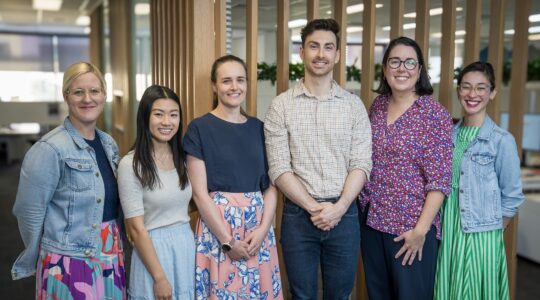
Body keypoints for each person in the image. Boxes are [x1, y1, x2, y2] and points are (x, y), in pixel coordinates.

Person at [264, 18, 372, 299]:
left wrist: (339, 207)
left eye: (328, 47)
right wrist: (315, 208)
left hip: (345, 214)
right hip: (298, 216)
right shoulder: (281, 106)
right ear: (302, 52)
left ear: (337, 54)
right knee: (301, 295)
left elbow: (361, 163)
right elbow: (279, 168)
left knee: (340, 295)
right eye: (314, 46)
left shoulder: (353, 106)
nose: (320, 54)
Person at [11, 61, 126, 299]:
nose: (87, 98)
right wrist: (40, 253)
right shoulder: (50, 149)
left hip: (110, 255)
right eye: (78, 91)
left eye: (94, 91)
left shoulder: (109, 144)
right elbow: (29, 211)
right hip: (67, 262)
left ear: (104, 95)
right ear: (66, 96)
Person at [359, 36, 453, 300]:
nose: (402, 68)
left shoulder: (434, 114)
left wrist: (420, 231)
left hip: (410, 232)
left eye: (410, 62)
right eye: (395, 61)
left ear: (420, 70)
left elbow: (440, 180)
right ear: (385, 69)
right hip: (372, 224)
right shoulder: (377, 107)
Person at [184, 54, 283, 299]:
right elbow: (199, 192)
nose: (234, 86)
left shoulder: (259, 128)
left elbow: (271, 187)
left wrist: (263, 229)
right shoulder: (200, 128)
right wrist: (227, 241)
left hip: (257, 232)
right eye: (226, 80)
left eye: (240, 80)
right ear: (214, 86)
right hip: (218, 230)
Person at [434, 61, 524, 300]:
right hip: (448, 232)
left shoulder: (501, 140)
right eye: (466, 87)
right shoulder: (446, 136)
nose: (473, 94)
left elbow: (512, 196)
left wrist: (490, 231)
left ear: (493, 92)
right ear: (458, 90)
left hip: (481, 236)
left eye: (481, 88)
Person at [118, 85, 194, 299]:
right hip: (153, 252)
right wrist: (159, 278)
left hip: (185, 246)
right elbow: (136, 229)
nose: (167, 122)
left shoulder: (184, 158)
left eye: (173, 115)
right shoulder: (131, 164)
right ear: (145, 117)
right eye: (158, 114)